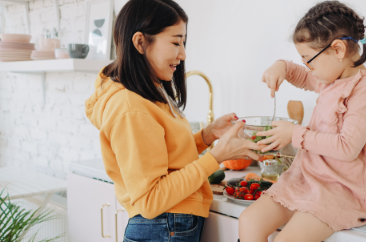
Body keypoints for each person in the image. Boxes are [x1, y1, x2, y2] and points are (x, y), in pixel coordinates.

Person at [84, 0, 262, 241]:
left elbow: (164, 154)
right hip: (163, 227)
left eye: (184, 42)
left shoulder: (145, 94)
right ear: (140, 42)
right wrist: (215, 157)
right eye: (176, 42)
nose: (183, 54)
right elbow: (151, 201)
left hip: (167, 226)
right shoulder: (131, 109)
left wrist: (206, 136)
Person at [239, 1, 366, 241]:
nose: (307, 66)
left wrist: (294, 134)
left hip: (343, 190)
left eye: (309, 59)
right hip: (307, 179)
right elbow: (301, 75)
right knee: (249, 221)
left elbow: (347, 148)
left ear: (337, 50)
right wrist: (282, 67)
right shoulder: (330, 77)